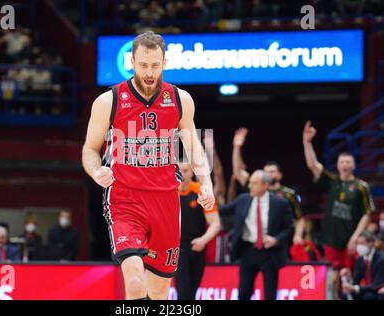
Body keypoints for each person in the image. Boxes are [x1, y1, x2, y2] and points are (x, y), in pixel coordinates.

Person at [82, 31, 215, 300]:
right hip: (124, 198)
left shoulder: (180, 99)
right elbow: (90, 150)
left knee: (159, 290)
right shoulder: (109, 100)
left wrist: (207, 184)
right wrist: (96, 171)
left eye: (155, 65)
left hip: (166, 199)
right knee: (133, 280)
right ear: (132, 61)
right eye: (143, 65)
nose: (149, 71)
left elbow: (193, 146)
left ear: (165, 62)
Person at [302, 121, 375, 298]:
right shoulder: (332, 181)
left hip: (352, 239)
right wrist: (307, 142)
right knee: (333, 277)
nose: (344, 164)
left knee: (354, 276)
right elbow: (313, 165)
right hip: (332, 239)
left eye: (348, 162)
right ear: (338, 164)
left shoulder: (361, 187)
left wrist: (355, 237)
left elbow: (367, 213)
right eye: (342, 161)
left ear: (353, 165)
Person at [219, 170, 294, 300]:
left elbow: (289, 229)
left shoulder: (280, 203)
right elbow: (223, 210)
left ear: (265, 185)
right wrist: (205, 200)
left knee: (270, 294)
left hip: (270, 253)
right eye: (250, 183)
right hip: (248, 250)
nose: (250, 186)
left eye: (254, 183)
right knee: (243, 292)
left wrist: (276, 240)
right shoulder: (243, 199)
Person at [233, 127, 306, 245]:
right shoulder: (256, 189)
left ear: (280, 175)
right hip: (257, 240)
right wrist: (236, 147)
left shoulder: (289, 194)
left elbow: (300, 218)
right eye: (266, 171)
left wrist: (297, 236)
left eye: (272, 171)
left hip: (282, 241)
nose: (268, 174)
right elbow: (238, 172)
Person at [175, 162, 221, 300]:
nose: (182, 174)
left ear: (192, 173)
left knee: (193, 287)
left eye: (186, 171)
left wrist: (204, 240)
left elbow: (216, 223)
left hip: (197, 245)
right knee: (182, 287)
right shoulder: (169, 191)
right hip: (176, 246)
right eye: (179, 170)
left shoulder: (201, 191)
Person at [340, 231, 384, 300]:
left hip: (378, 289)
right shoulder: (360, 259)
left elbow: (376, 285)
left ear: (371, 243)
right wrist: (349, 278)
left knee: (369, 296)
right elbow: (355, 281)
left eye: (362, 243)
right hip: (367, 289)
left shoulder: (381, 259)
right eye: (358, 244)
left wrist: (355, 288)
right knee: (346, 294)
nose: (359, 247)